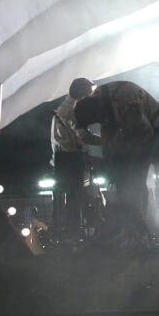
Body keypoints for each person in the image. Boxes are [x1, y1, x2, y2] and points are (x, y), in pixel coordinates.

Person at [73, 78, 159, 247]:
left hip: (152, 127)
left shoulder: (125, 102)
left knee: (135, 179)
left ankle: (140, 230)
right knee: (122, 179)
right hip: (130, 130)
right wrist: (110, 162)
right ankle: (126, 226)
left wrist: (125, 162)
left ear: (96, 111)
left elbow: (144, 136)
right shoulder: (100, 102)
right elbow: (107, 135)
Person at [50, 78, 101, 243]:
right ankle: (75, 232)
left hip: (65, 158)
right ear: (81, 92)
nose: (90, 98)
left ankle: (75, 231)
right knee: (76, 196)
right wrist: (108, 140)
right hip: (70, 160)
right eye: (88, 94)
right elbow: (83, 136)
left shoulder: (64, 108)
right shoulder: (71, 111)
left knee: (74, 196)